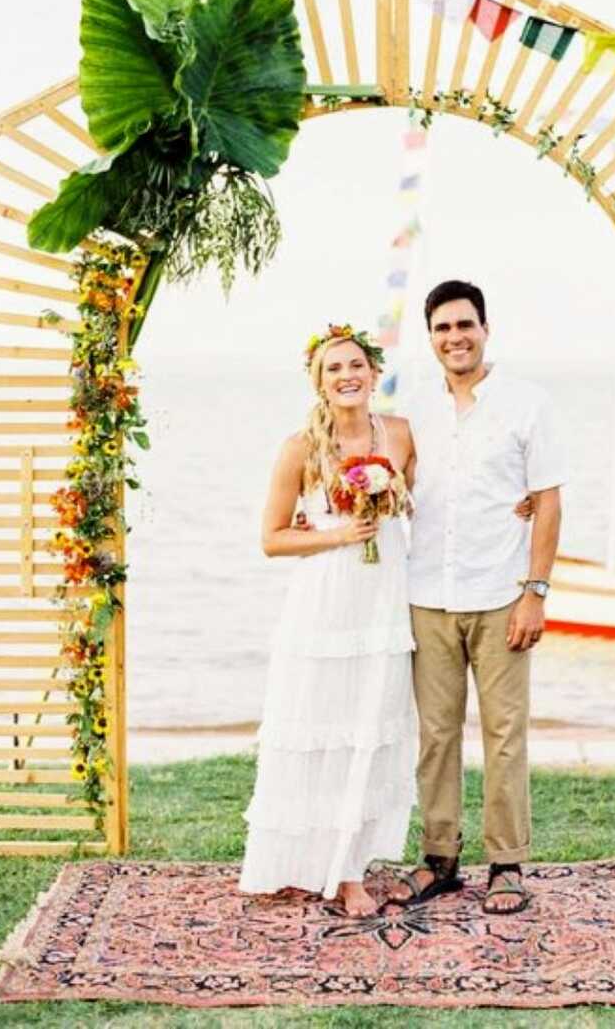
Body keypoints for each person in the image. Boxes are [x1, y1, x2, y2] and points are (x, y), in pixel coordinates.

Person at [391, 280, 566, 915]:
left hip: (500, 596)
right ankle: (439, 858)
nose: (455, 337)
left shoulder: (526, 403)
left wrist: (534, 593)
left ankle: (507, 864)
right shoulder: (414, 409)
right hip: (426, 596)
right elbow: (383, 480)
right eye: (442, 328)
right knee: (435, 734)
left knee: (505, 733)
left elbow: (546, 500)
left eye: (465, 325)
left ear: (485, 329)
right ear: (430, 336)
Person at [238, 325, 417, 917]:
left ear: (373, 372)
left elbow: (430, 500)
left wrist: (518, 503)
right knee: (320, 726)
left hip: (382, 598)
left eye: (357, 365)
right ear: (319, 381)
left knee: (369, 724)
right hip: (324, 600)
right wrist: (343, 533)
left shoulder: (401, 435)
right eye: (335, 368)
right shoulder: (300, 448)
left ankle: (350, 865)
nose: (348, 376)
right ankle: (317, 866)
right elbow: (271, 538)